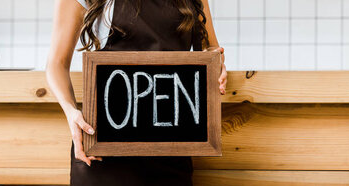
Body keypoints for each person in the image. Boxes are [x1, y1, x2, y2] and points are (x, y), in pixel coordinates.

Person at [45, 0, 227, 185]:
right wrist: (70, 112)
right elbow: (56, 64)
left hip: (171, 146)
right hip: (104, 151)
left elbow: (210, 48)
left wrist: (217, 61)